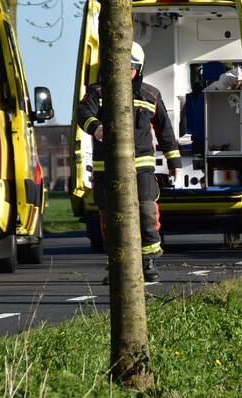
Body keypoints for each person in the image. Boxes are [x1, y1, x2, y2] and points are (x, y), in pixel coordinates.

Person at [76, 42, 182, 283]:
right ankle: (116, 266)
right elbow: (83, 113)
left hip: (141, 168)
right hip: (108, 169)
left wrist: (173, 161)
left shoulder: (150, 95)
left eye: (130, 68)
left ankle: (148, 262)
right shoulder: (97, 92)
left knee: (146, 212)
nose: (125, 73)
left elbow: (165, 130)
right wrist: (96, 127)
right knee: (111, 218)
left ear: (139, 68)